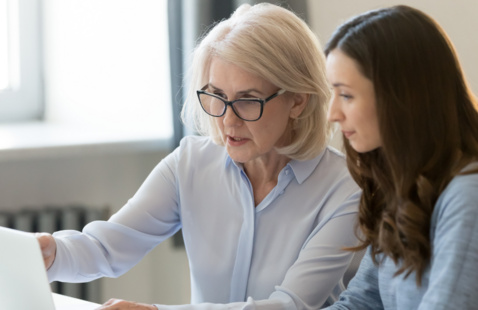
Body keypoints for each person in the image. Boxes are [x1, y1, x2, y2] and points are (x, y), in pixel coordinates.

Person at [36, 3, 361, 310]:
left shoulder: (345, 189)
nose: (227, 120)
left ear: (298, 101)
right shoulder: (191, 163)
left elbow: (290, 305)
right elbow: (106, 246)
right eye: (217, 96)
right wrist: (53, 252)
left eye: (248, 100)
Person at [324, 4, 478, 309]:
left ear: (400, 98)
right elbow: (362, 301)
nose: (332, 114)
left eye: (346, 95)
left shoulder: (468, 192)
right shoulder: (406, 185)